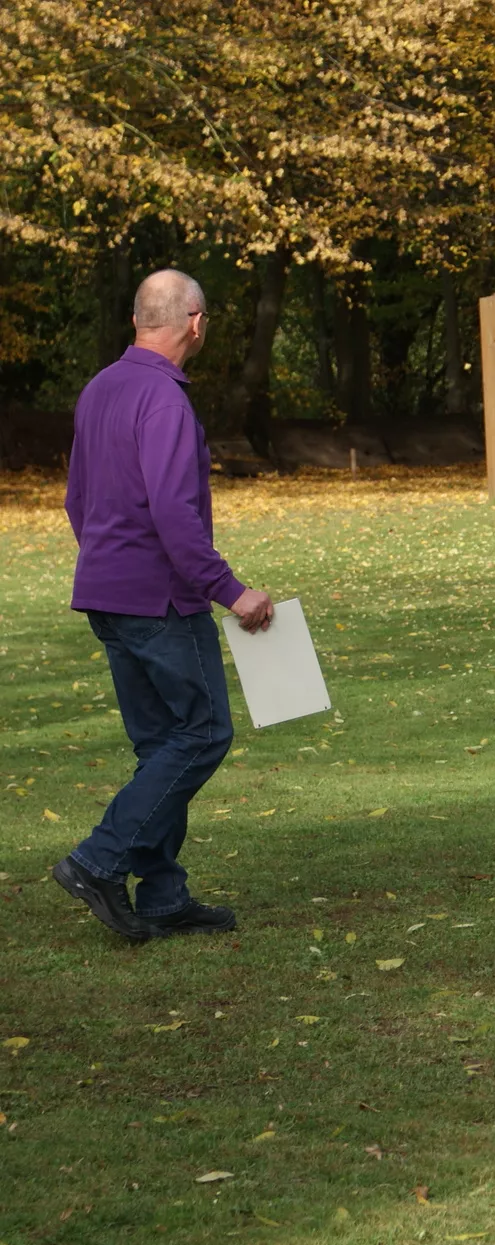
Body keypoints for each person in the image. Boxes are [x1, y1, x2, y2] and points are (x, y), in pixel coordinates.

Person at [52, 269, 274, 941]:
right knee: (203, 733)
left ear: (137, 319)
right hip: (160, 599)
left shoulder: (100, 388)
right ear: (196, 322)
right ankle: (97, 860)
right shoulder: (166, 400)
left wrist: (109, 564)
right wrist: (233, 592)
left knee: (160, 746)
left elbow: (76, 500)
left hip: (107, 593)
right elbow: (175, 517)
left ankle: (163, 897)